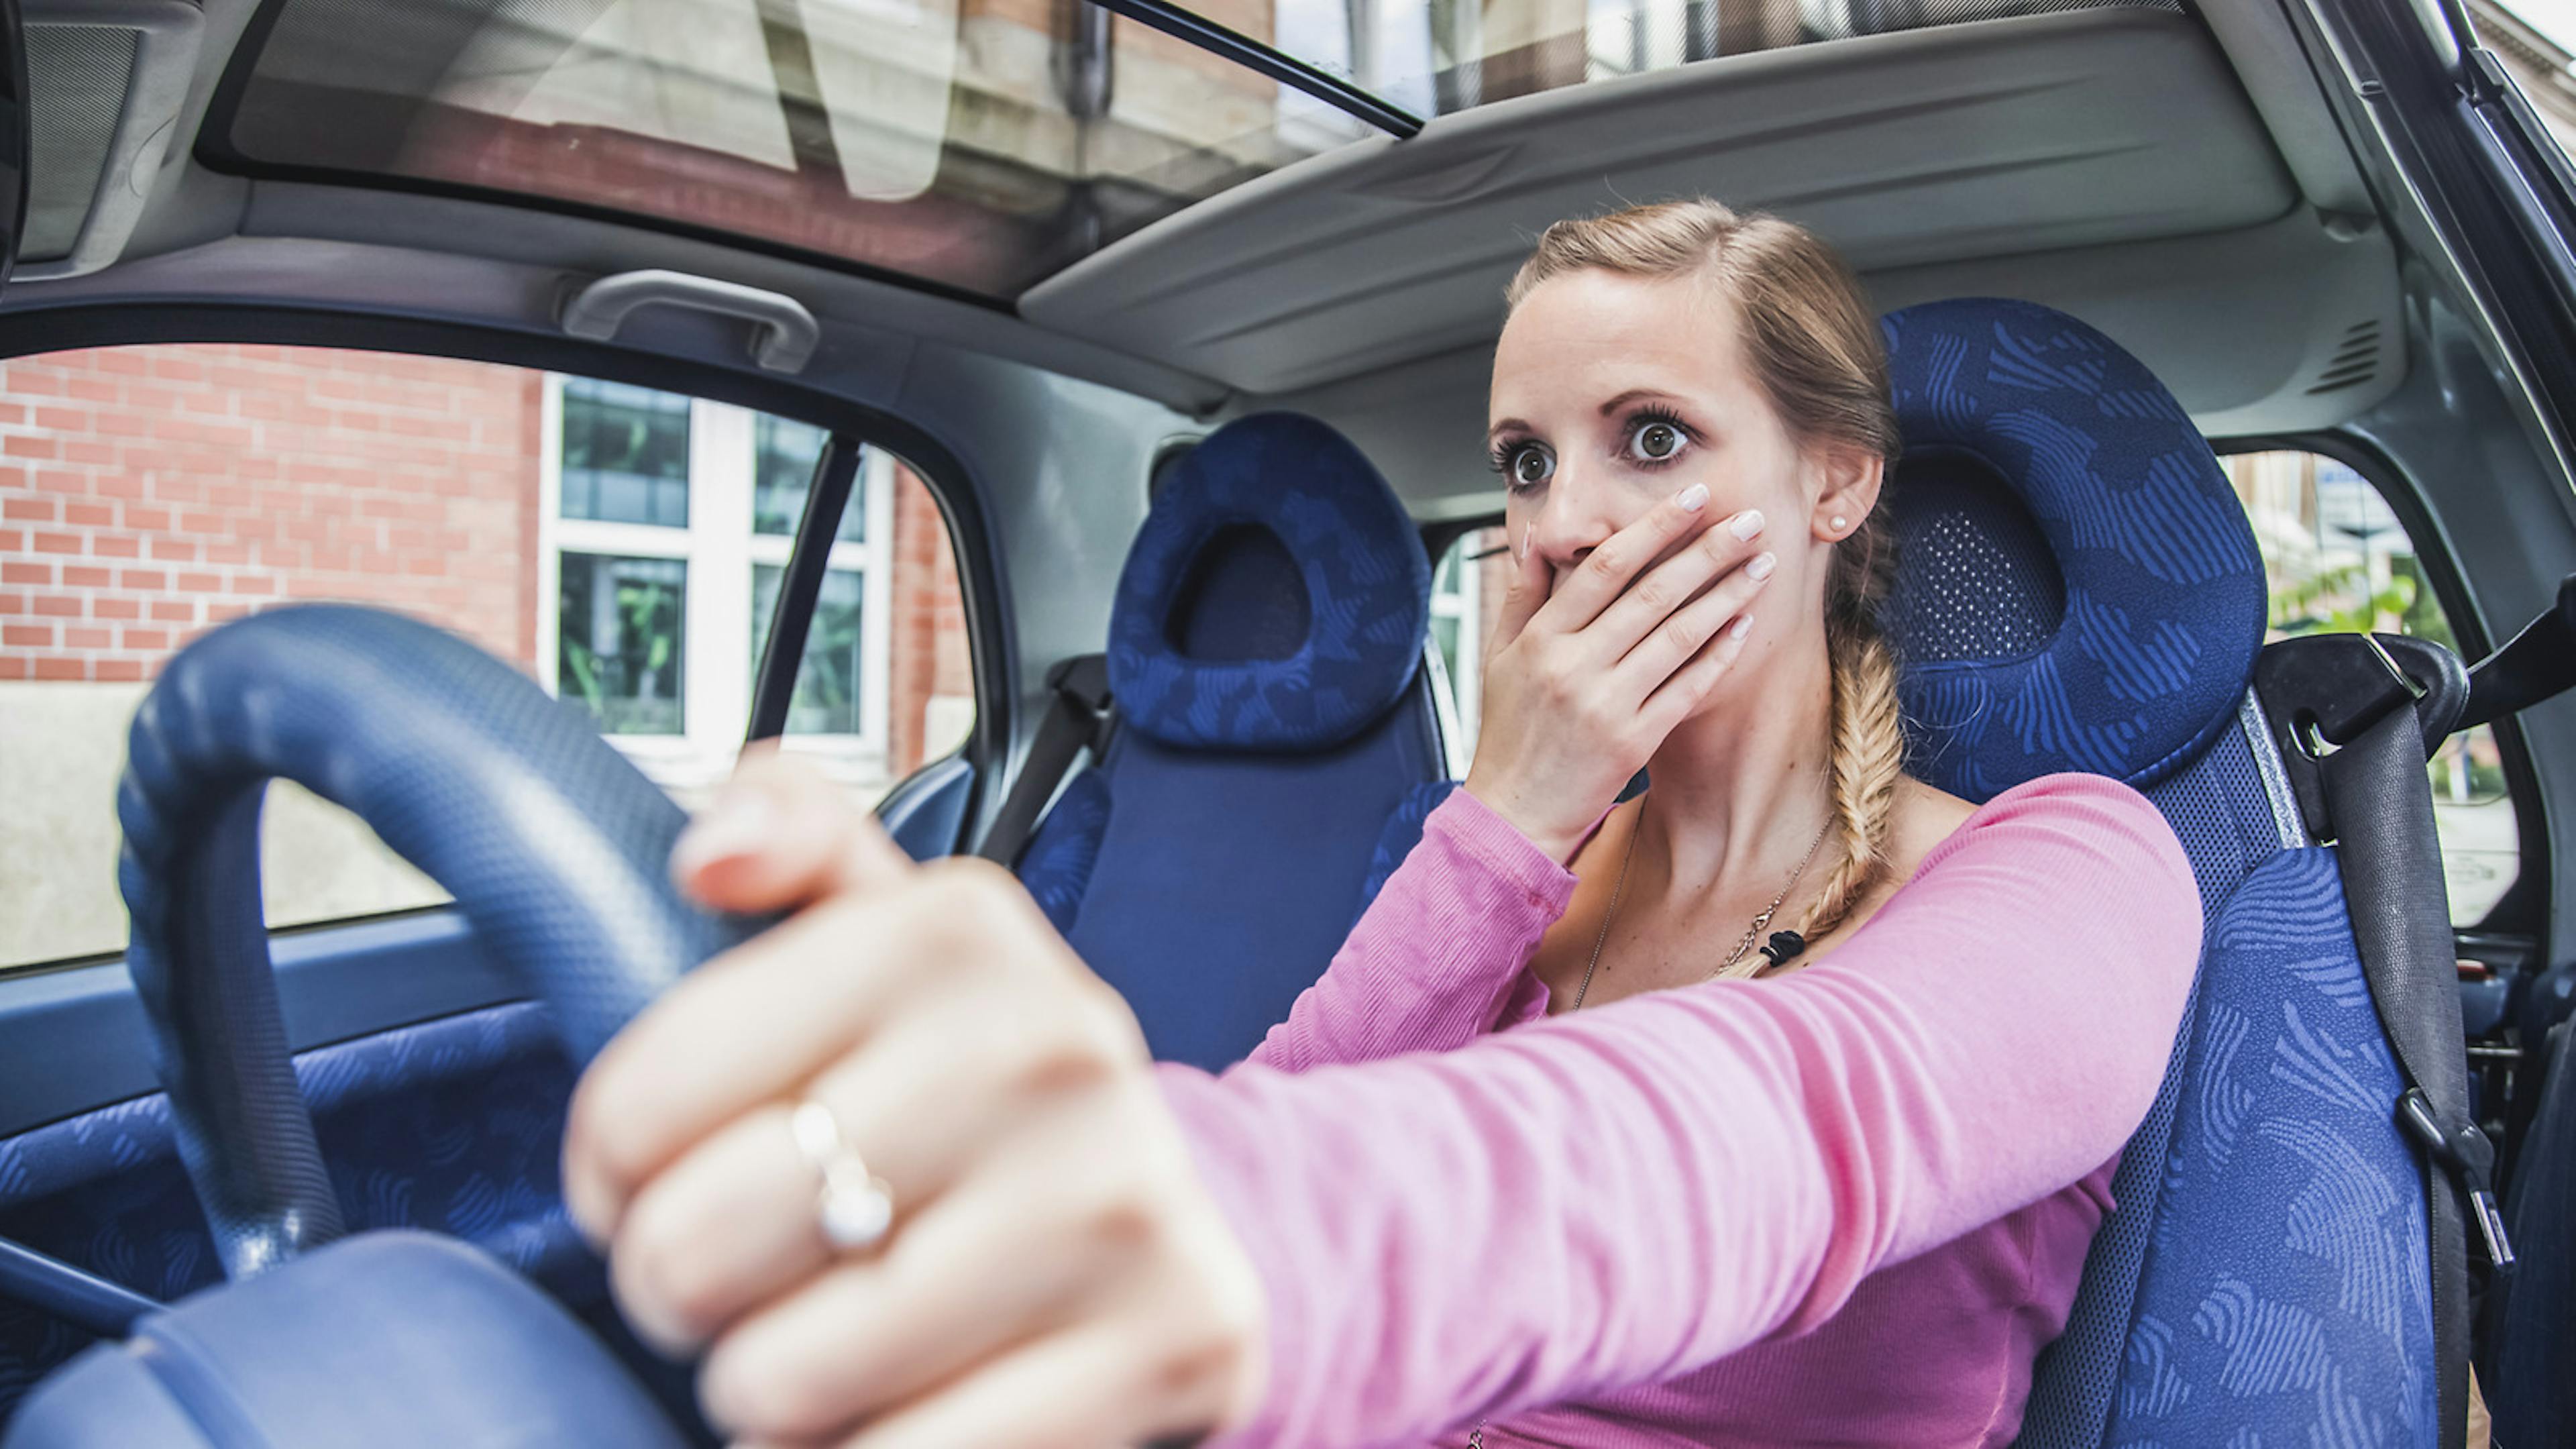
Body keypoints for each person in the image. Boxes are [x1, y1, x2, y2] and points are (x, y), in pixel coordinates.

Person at [559, 200, 2203, 1449]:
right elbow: (1280, 1116)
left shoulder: (2076, 865)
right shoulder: (1507, 871)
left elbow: (1798, 1126)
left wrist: (1265, 1236)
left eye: (1651, 440)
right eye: (1525, 462)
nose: (1564, 526)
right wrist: (1510, 814)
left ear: (1834, 484)